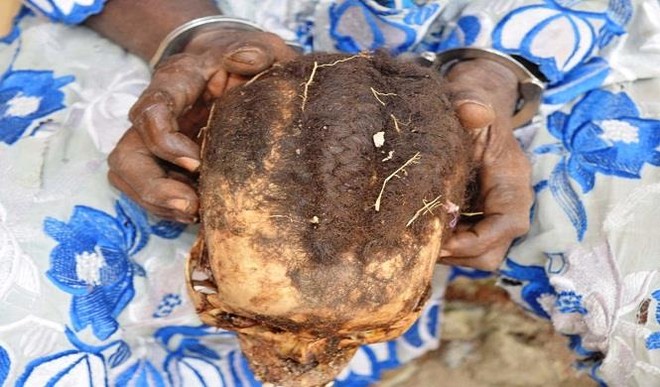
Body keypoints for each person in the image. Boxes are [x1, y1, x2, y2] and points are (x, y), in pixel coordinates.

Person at [0, 0, 658, 385]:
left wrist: (499, 72)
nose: (297, 369)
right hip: (177, 44)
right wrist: (186, 35)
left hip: (494, 53)